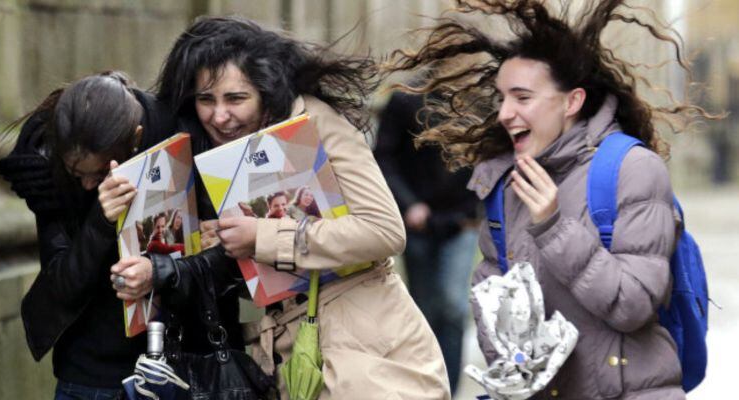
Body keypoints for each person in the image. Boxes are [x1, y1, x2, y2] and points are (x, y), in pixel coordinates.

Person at [385, 0, 716, 398]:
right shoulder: (505, 182)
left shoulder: (632, 169)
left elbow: (633, 306)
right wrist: (513, 365)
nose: (505, 112)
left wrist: (554, 225)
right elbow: (492, 301)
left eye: (522, 98)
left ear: (572, 102)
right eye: (502, 97)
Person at [148, 15, 451, 399]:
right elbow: (274, 279)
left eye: (236, 98)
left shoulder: (315, 121)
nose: (219, 116)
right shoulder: (220, 152)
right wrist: (224, 249)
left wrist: (261, 236)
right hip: (290, 361)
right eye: (206, 100)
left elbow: (384, 231)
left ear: (266, 90)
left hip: (368, 361)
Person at [0, 71, 178, 398]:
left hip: (171, 362)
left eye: (100, 172)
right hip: (90, 373)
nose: (89, 185)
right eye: (77, 173)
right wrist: (100, 222)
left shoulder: (169, 132)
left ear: (135, 139)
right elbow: (61, 285)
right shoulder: (46, 169)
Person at [374, 89, 479, 395]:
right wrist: (409, 205)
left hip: (462, 221)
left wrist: (475, 209)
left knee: (452, 305)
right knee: (424, 309)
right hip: (417, 223)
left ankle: (449, 388)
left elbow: (488, 157)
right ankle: (427, 385)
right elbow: (384, 156)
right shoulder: (405, 99)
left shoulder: (479, 98)